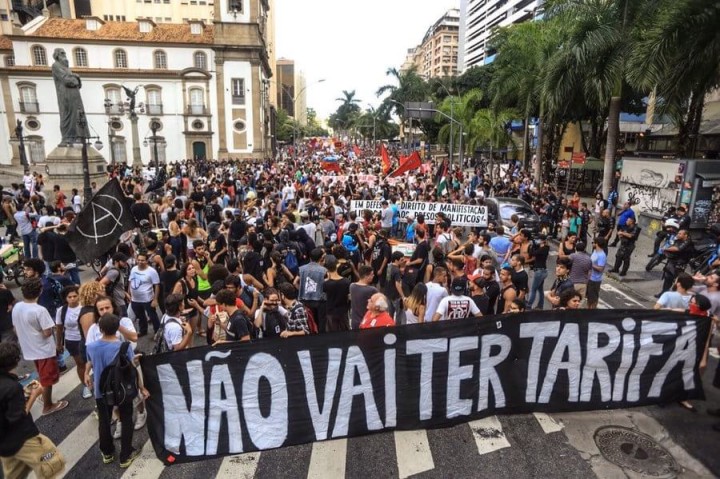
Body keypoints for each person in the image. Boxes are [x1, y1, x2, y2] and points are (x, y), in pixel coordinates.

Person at [84, 313, 146, 468]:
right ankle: (126, 454)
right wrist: (141, 387)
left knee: (104, 421)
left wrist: (86, 374)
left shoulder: (91, 347)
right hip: (122, 390)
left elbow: (90, 363)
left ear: (100, 328)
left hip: (102, 390)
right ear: (118, 328)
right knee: (126, 419)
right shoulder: (123, 347)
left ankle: (107, 452)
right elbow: (132, 368)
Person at [0, 341, 66, 478]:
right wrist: (35, 394)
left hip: (5, 445)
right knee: (53, 463)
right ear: (16, 360)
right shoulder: (12, 388)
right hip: (23, 439)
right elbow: (19, 416)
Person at [11, 279, 68, 416]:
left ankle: (45, 399)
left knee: (43, 375)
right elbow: (47, 332)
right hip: (43, 350)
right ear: (40, 291)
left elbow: (15, 328)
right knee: (47, 378)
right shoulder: (40, 310)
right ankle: (48, 406)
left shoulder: (17, 307)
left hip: (29, 349)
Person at [54, 285, 92, 399]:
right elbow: (59, 328)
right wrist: (58, 343)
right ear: (65, 298)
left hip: (87, 339)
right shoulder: (62, 310)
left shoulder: (85, 307)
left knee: (94, 363)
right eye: (69, 297)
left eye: (75, 296)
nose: (72, 299)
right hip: (72, 341)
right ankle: (86, 385)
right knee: (81, 364)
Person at [294, 248, 327, 333]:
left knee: (309, 324)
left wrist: (302, 290)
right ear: (320, 258)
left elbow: (295, 282)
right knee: (320, 325)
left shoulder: (301, 269)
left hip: (305, 301)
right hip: (320, 301)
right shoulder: (324, 270)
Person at [128, 251, 161, 337]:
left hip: (147, 299)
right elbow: (130, 281)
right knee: (140, 316)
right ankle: (143, 331)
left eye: (142, 260)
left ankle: (157, 332)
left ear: (146, 261)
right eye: (138, 260)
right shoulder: (133, 269)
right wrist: (129, 293)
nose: (140, 262)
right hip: (135, 299)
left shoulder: (152, 271)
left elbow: (156, 285)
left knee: (152, 316)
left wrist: (155, 299)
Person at [658, 229, 694, 296]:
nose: (678, 234)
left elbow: (678, 249)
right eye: (678, 233)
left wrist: (665, 249)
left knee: (677, 281)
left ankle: (675, 295)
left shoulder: (688, 242)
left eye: (680, 233)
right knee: (667, 278)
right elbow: (672, 245)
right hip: (672, 261)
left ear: (685, 235)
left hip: (680, 263)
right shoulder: (678, 240)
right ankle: (663, 293)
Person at [323, 255, 351, 332]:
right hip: (343, 311)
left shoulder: (325, 284)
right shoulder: (346, 282)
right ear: (337, 265)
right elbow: (349, 297)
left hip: (331, 312)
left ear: (326, 268)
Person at [99, 252, 130, 317]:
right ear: (116, 262)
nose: (125, 263)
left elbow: (117, 286)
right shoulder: (114, 272)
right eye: (123, 261)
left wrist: (125, 293)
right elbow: (101, 284)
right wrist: (105, 298)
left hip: (120, 301)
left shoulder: (118, 270)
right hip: (118, 303)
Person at [349, 265, 377, 330]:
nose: (373, 276)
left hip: (354, 322)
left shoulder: (352, 286)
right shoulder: (372, 290)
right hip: (367, 322)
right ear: (366, 276)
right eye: (371, 274)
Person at [527, 234, 549, 310]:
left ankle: (529, 306)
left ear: (542, 240)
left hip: (539, 271)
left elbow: (532, 253)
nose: (537, 241)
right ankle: (540, 305)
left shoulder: (543, 249)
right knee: (540, 289)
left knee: (533, 289)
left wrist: (531, 246)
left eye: (538, 239)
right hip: (543, 271)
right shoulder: (544, 247)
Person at [383, 251, 405, 323]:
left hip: (388, 294)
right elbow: (397, 284)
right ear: (396, 260)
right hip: (396, 296)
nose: (403, 261)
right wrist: (403, 296)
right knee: (399, 314)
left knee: (390, 314)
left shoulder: (389, 267)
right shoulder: (396, 270)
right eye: (401, 260)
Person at [586, 238, 607, 309]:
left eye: (593, 242)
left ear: (597, 244)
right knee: (589, 296)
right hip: (590, 278)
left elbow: (600, 269)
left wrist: (590, 263)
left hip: (595, 280)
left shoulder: (602, 255)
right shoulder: (595, 251)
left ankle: (593, 311)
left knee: (593, 298)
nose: (592, 244)